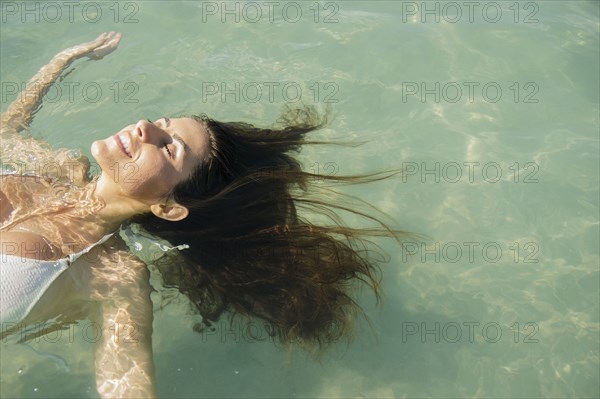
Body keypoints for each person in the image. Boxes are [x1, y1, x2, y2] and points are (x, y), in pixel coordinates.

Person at [0, 32, 409, 398]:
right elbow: (10, 127)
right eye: (160, 124)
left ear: (169, 207)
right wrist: (64, 60)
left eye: (167, 147)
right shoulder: (56, 168)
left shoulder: (114, 276)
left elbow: (126, 383)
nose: (144, 127)